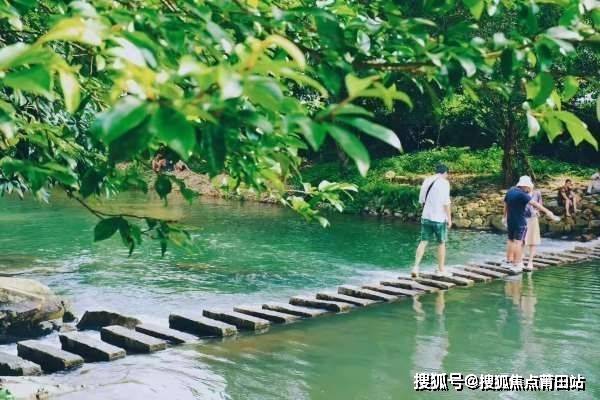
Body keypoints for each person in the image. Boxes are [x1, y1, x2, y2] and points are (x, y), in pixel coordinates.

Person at [504, 176, 558, 272]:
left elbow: (506, 205)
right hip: (520, 222)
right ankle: (517, 264)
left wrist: (504, 217)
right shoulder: (522, 194)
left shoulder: (510, 191)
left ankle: (508, 261)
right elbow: (535, 204)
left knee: (510, 241)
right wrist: (548, 212)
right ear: (525, 186)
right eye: (528, 187)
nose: (529, 189)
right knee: (518, 243)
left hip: (510, 221)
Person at [412, 163, 452, 278]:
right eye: (447, 174)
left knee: (423, 241)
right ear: (445, 172)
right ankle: (441, 270)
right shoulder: (444, 183)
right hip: (439, 218)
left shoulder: (427, 180)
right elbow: (446, 203)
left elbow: (421, 200)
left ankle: (415, 267)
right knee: (441, 243)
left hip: (426, 216)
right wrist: (449, 219)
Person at [524, 188, 543, 270]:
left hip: (533, 218)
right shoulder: (521, 192)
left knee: (533, 240)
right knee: (521, 240)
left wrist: (537, 211)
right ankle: (520, 260)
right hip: (522, 218)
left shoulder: (537, 193)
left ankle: (530, 262)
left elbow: (540, 204)